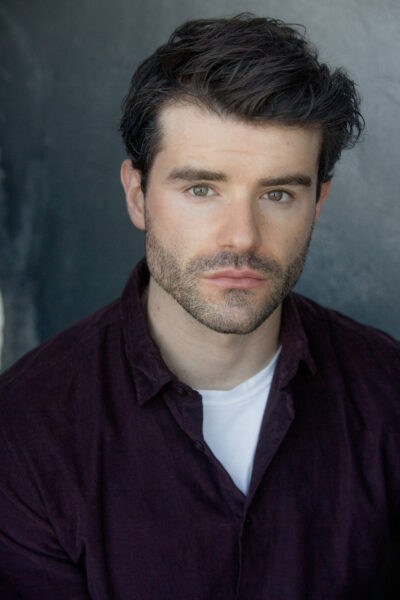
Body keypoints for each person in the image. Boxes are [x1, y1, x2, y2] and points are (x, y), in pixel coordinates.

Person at [0, 14, 399, 600]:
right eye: (202, 189)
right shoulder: (24, 431)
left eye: (278, 194)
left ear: (317, 204)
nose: (242, 237)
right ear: (138, 195)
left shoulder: (388, 394)